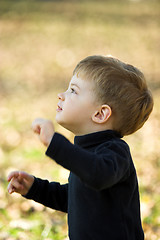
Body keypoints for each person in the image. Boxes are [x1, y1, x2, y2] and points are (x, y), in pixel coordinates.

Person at [7, 55, 153, 240]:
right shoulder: (88, 154)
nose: (61, 95)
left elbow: (97, 174)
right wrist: (35, 188)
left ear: (100, 114)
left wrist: (55, 142)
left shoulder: (115, 152)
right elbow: (76, 200)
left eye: (73, 91)